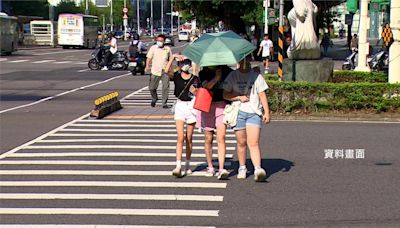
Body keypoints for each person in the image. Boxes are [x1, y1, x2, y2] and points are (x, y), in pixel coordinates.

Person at [223, 55, 271, 182]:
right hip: (238, 112)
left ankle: (257, 168)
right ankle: (242, 167)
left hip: (254, 112)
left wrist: (267, 112)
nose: (245, 63)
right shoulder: (233, 76)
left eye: (247, 60)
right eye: (242, 60)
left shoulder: (256, 75)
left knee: (253, 142)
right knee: (241, 143)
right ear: (238, 61)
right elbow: (225, 94)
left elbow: (262, 94)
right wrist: (239, 97)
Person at [165, 54, 200, 177]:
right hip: (180, 106)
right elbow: (166, 71)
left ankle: (188, 164)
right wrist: (173, 58)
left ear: (190, 64)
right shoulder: (176, 76)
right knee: (180, 137)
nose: (184, 65)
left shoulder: (195, 78)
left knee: (189, 138)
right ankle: (178, 165)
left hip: (191, 107)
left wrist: (195, 92)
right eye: (182, 63)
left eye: (187, 62)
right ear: (179, 65)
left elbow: (200, 92)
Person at [198, 65, 232, 180]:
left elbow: (235, 79)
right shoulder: (204, 72)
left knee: (221, 137)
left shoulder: (226, 70)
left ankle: (221, 169)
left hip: (221, 105)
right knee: (208, 138)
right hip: (207, 105)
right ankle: (210, 166)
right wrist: (217, 78)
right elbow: (206, 86)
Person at [145, 34, 172, 108]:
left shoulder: (167, 49)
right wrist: (147, 66)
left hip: (165, 71)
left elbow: (171, 59)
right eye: (158, 40)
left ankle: (164, 103)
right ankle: (154, 98)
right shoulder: (153, 48)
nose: (159, 42)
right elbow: (148, 58)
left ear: (164, 41)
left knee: (165, 87)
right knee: (152, 87)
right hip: (155, 70)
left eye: (161, 41)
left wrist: (170, 69)